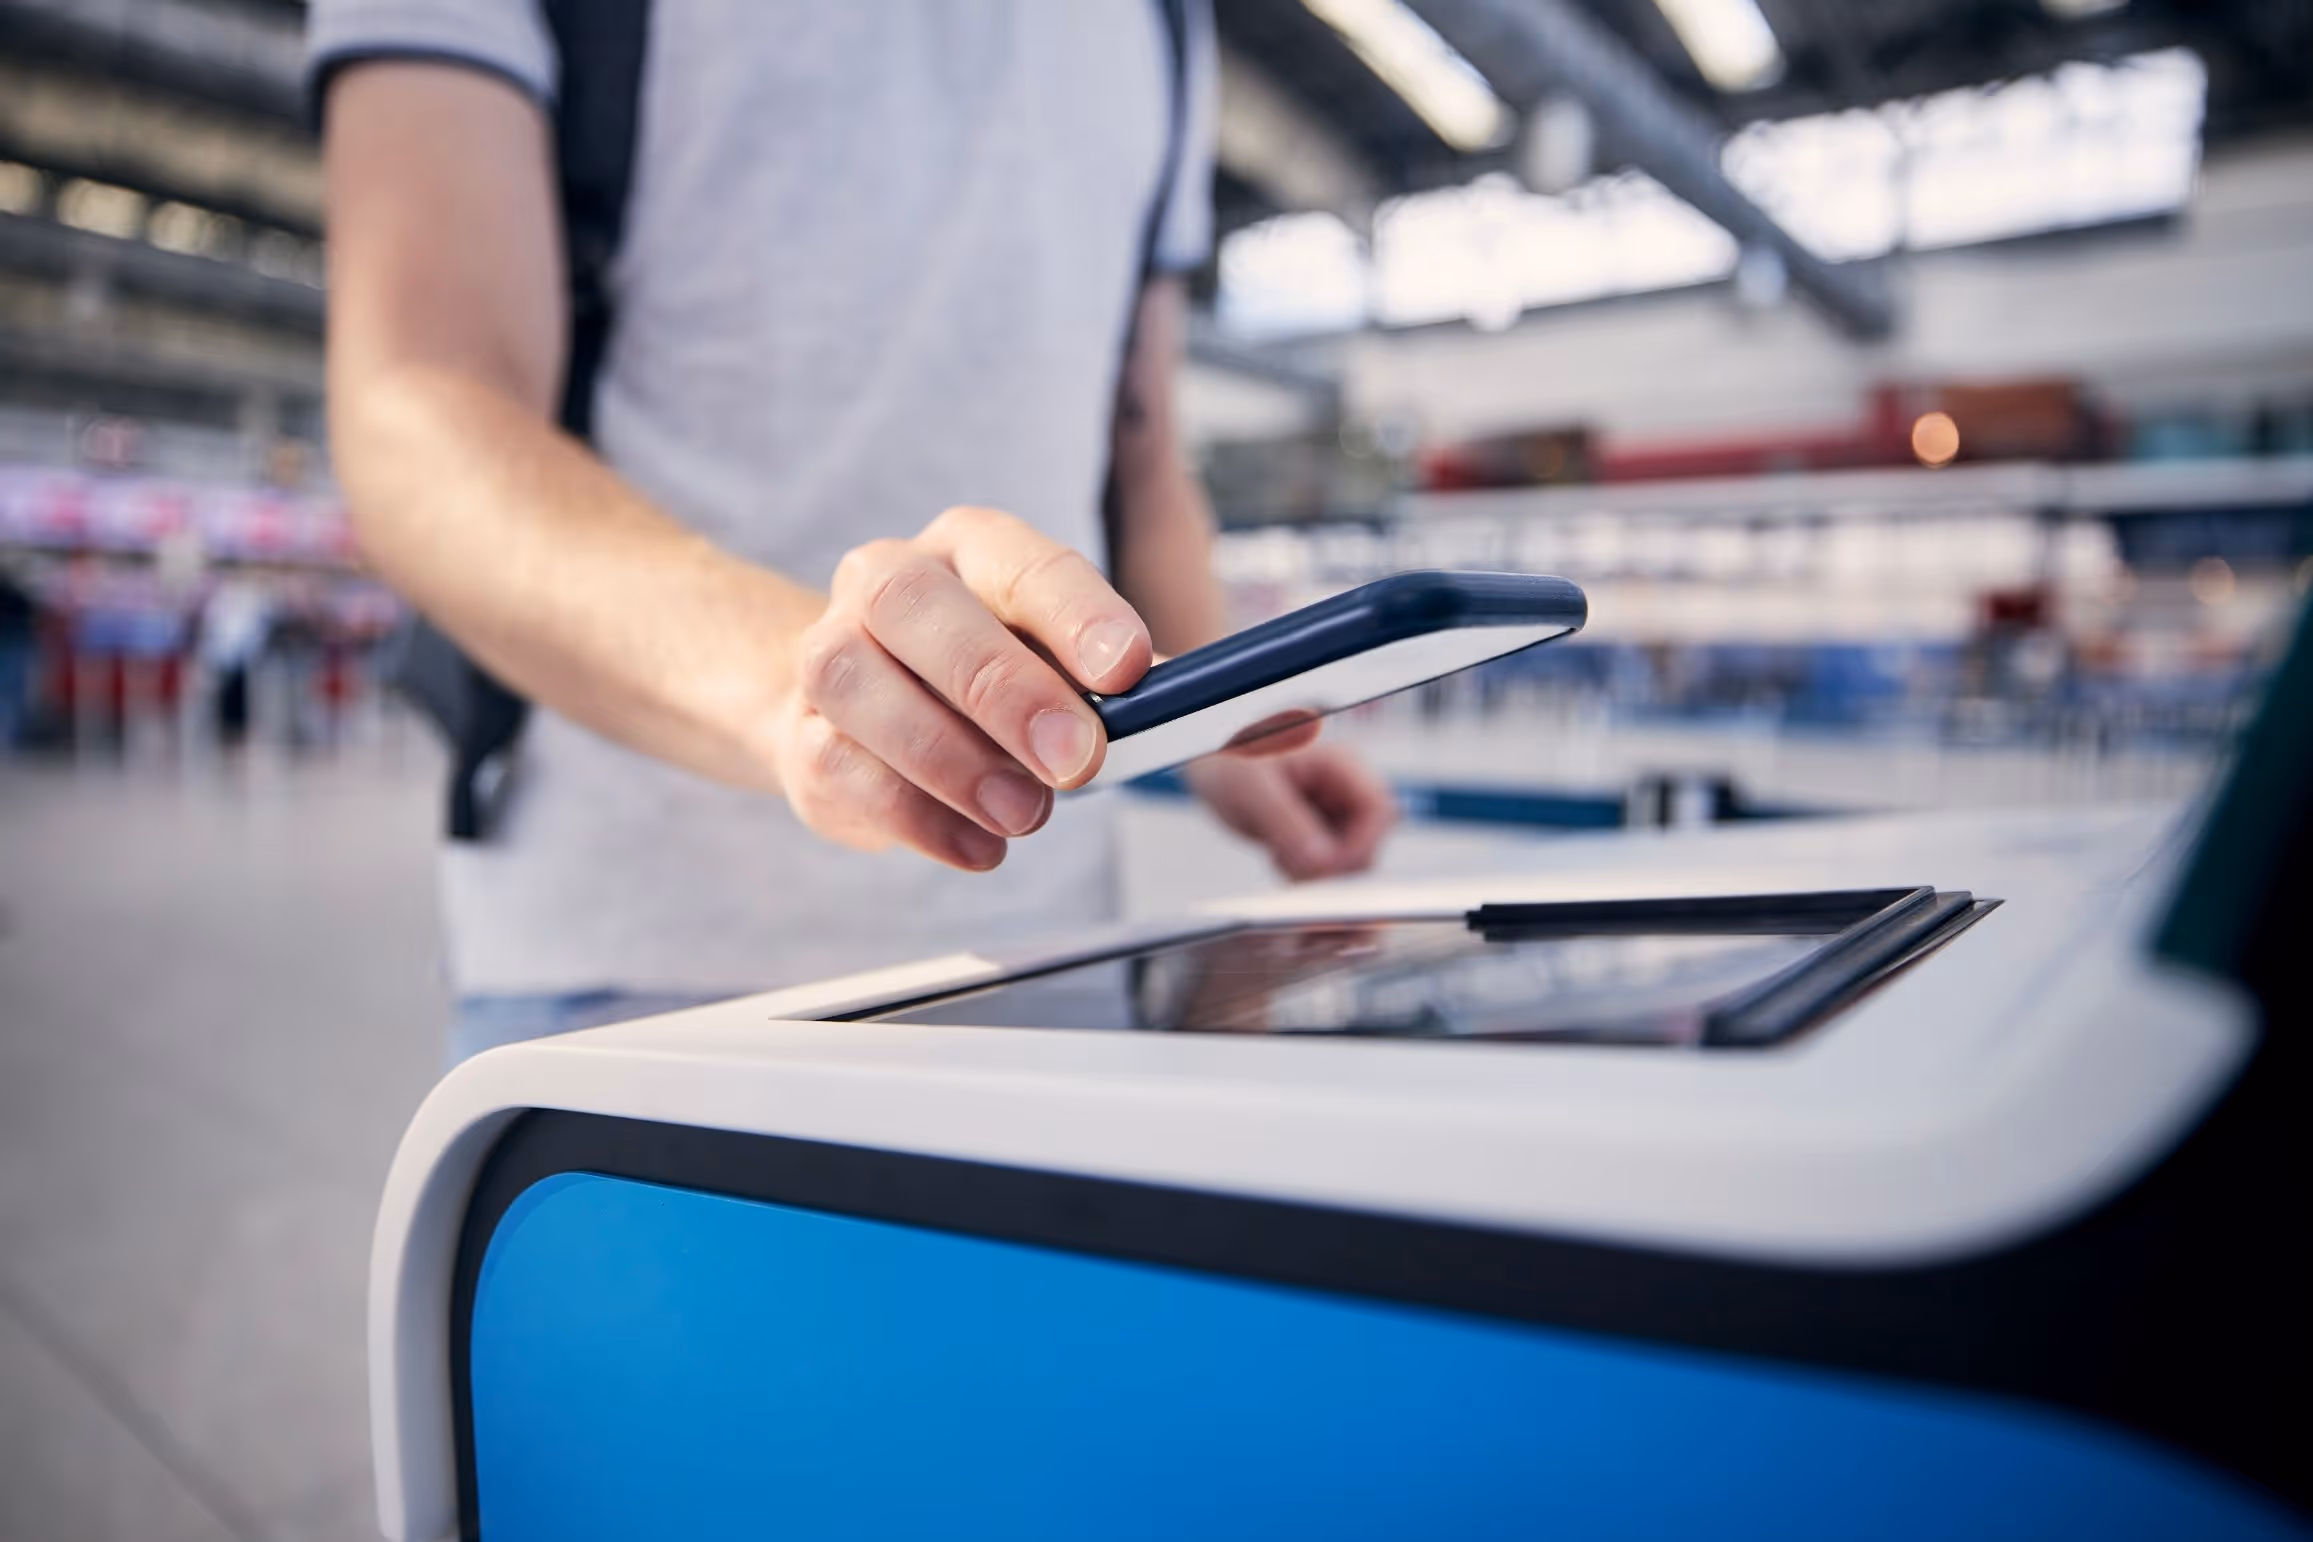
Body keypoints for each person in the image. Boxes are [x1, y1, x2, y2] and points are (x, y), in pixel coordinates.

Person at [311, 2, 1397, 1061]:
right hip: (640, 978)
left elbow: (1140, 449)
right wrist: (805, 691)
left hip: (1058, 960)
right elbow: (419, 405)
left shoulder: (1164, 22)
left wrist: (1212, 714)